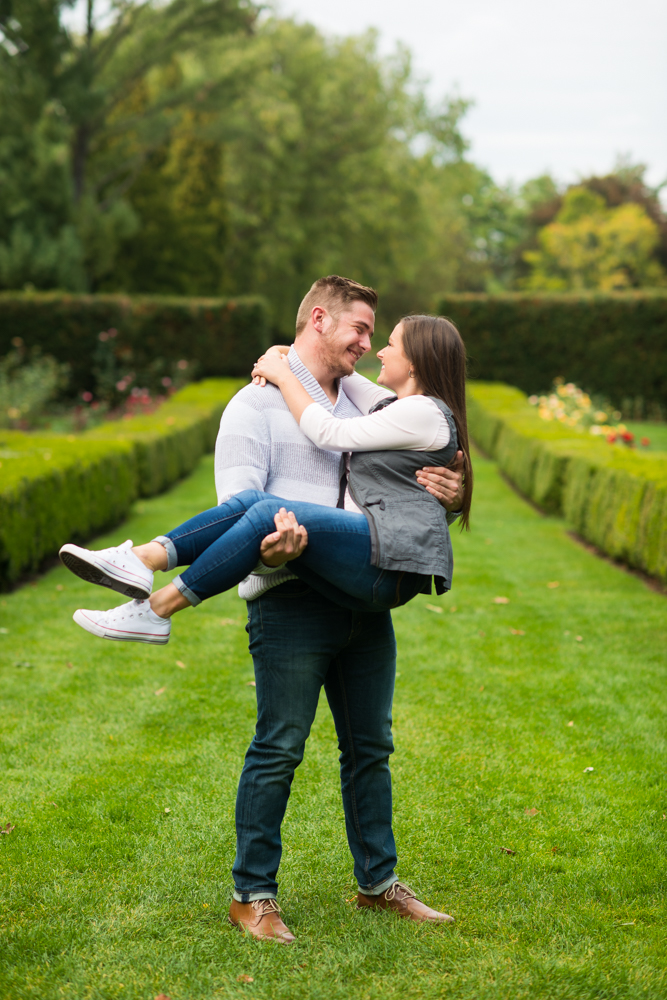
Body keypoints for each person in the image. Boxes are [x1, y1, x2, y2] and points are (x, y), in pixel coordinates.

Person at [67, 277, 466, 942]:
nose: (370, 346)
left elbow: (426, 441)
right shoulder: (252, 408)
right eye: (361, 330)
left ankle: (378, 883)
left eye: (377, 336)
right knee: (278, 748)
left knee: (370, 748)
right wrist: (273, 554)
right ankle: (251, 894)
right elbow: (237, 509)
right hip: (289, 599)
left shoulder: (367, 397)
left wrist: (451, 492)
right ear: (318, 318)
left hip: (364, 591)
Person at [62, 315, 472, 645]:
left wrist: (283, 372)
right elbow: (338, 373)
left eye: (391, 344)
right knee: (254, 505)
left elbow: (329, 432)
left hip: (386, 559)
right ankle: (139, 560)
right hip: (376, 553)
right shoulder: (396, 405)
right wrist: (288, 355)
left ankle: (156, 610)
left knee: (267, 514)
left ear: (415, 361)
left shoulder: (421, 412)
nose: (378, 349)